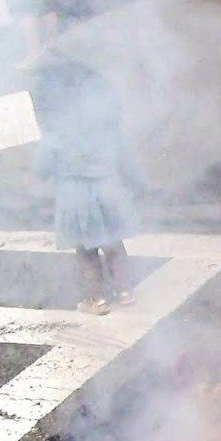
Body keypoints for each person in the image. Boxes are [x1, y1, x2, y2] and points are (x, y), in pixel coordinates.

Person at [31, 59, 144, 315]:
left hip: (74, 197)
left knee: (86, 251)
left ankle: (98, 299)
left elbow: (41, 166)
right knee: (114, 243)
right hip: (108, 190)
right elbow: (126, 159)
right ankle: (124, 290)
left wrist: (41, 176)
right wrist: (138, 183)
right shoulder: (106, 125)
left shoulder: (57, 131)